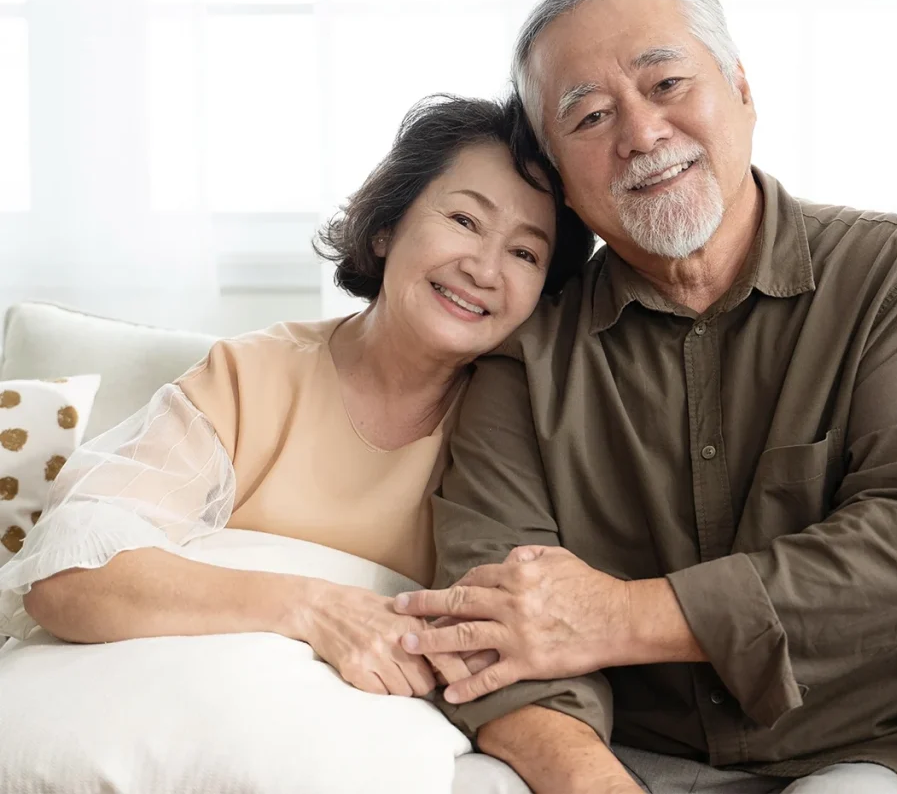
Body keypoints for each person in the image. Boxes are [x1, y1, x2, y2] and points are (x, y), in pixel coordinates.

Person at [392, 0, 897, 794]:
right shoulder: (525, 353)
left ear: (742, 89)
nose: (642, 134)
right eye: (591, 115)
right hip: (627, 756)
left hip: (872, 749)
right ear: (560, 179)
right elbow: (492, 611)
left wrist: (615, 615)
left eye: (668, 82)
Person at [0, 94, 593, 703]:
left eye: (525, 253)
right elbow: (68, 575)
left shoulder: (527, 428)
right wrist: (314, 608)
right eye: (464, 221)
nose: (485, 269)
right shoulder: (249, 376)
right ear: (388, 226)